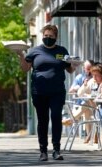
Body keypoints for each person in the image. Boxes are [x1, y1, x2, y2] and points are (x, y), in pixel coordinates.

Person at [16, 24, 76, 161]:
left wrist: (75, 65)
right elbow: (25, 68)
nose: (48, 38)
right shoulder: (35, 51)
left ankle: (56, 150)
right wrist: (20, 55)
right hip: (39, 91)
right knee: (42, 120)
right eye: (46, 36)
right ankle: (43, 151)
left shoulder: (62, 51)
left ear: (56, 37)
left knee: (56, 117)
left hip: (57, 91)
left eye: (51, 36)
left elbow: (70, 69)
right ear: (43, 37)